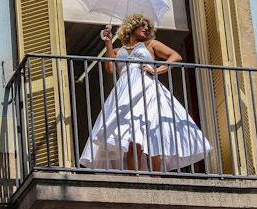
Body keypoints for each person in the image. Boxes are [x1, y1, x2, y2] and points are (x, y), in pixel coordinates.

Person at [79, 13, 212, 172]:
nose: (146, 28)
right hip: (124, 94)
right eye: (142, 24)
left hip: (147, 90)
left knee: (152, 133)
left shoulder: (151, 45)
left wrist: (157, 69)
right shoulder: (116, 51)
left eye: (147, 26)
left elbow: (175, 56)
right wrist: (107, 43)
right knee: (130, 140)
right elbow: (109, 68)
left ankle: (156, 179)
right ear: (132, 27)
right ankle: (133, 178)